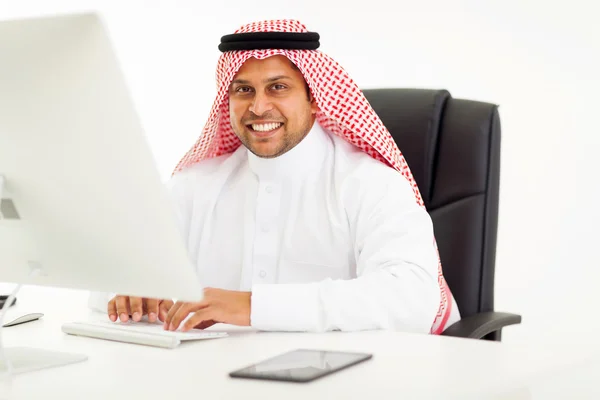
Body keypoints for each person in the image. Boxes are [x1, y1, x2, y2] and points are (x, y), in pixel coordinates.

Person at [89, 19, 461, 334]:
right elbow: (107, 272)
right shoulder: (196, 186)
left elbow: (412, 298)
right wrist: (130, 290)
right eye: (243, 90)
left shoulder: (370, 184)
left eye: (278, 87)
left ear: (315, 97)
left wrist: (252, 307)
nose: (259, 106)